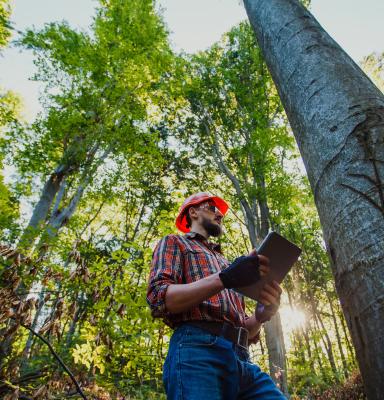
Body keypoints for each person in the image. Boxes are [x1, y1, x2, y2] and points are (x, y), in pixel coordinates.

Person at [147, 192, 286, 400]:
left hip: (242, 360)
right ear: (193, 212)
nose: (220, 214)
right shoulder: (174, 243)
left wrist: (261, 315)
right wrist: (225, 278)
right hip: (197, 352)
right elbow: (161, 298)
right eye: (213, 208)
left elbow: (246, 331)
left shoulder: (226, 263)